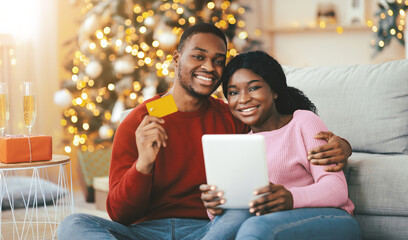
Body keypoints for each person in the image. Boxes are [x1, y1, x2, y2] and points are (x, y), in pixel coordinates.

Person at [57, 23, 352, 240]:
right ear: (176, 59)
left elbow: (279, 132)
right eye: (198, 56)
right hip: (146, 232)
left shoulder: (233, 116)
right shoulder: (140, 121)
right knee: (74, 225)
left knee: (240, 216)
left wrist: (344, 147)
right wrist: (143, 165)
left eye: (218, 60)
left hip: (209, 230)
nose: (209, 67)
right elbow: (119, 214)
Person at [200, 51, 361, 240]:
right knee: (238, 217)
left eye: (253, 88)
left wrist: (290, 198)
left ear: (274, 90)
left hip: (332, 218)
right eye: (233, 92)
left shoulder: (303, 122)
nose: (242, 99)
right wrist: (216, 206)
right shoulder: (243, 144)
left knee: (256, 228)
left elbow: (337, 190)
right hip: (273, 221)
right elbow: (234, 215)